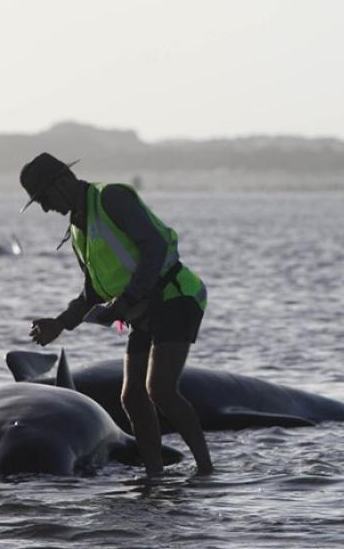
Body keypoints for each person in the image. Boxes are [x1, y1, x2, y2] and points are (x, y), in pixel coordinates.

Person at [20, 152, 213, 476]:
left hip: (176, 296)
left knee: (160, 389)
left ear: (64, 181)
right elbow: (92, 293)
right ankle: (154, 476)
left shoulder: (111, 198)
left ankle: (206, 470)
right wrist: (60, 323)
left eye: (44, 198)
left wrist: (127, 300)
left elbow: (156, 247)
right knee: (132, 396)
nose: (45, 207)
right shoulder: (77, 230)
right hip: (141, 311)